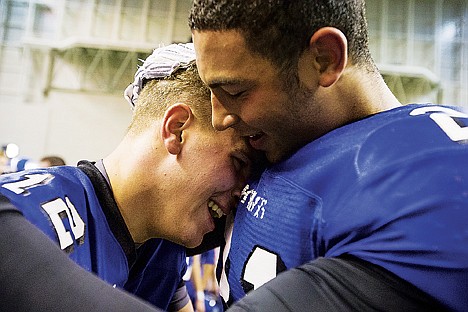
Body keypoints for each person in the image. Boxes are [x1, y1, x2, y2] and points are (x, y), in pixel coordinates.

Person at [189, 1, 468, 311]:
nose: (220, 119)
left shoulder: (435, 174)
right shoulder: (276, 140)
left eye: (236, 91)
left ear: (324, 59)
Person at [0, 43, 252, 311]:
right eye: (237, 162)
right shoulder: (33, 211)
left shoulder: (164, 249)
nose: (242, 190)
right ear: (177, 130)